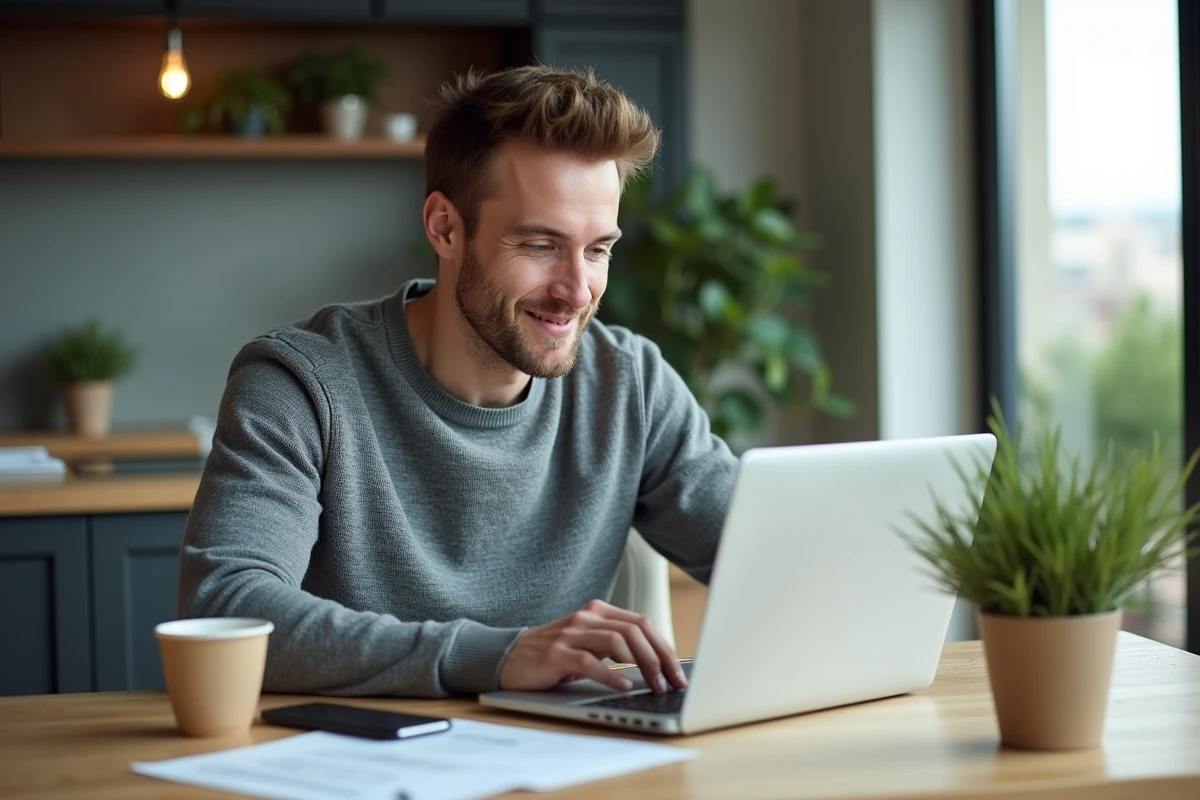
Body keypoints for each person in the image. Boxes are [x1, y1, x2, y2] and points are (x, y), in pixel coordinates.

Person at [178, 65, 738, 699]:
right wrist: (491, 657)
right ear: (445, 227)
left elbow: (776, 558)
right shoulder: (300, 383)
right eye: (540, 245)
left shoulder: (629, 385)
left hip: (568, 769)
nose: (577, 291)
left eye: (598, 249)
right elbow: (226, 611)